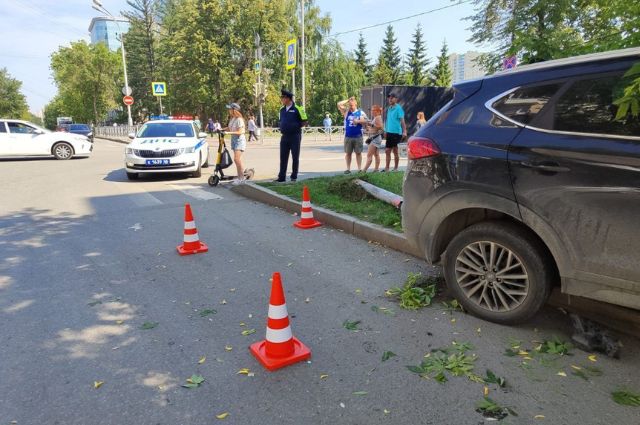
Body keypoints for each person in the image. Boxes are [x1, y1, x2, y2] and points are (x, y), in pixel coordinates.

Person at [275, 89, 307, 183]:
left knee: (295, 157)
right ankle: (281, 177)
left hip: (295, 136)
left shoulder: (298, 108)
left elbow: (305, 121)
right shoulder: (282, 109)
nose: (281, 99)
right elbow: (281, 121)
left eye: (283, 98)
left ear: (288, 98)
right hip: (284, 136)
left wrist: (295, 127)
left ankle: (294, 176)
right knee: (283, 157)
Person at [337, 96, 367, 174]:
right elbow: (339, 104)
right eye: (349, 105)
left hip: (358, 136)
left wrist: (358, 121)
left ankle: (359, 169)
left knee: (358, 153)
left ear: (355, 104)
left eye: (352, 105)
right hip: (348, 136)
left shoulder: (360, 112)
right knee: (348, 153)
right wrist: (348, 100)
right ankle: (348, 169)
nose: (350, 107)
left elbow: (366, 121)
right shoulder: (347, 112)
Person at [224, 103, 247, 185]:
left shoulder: (239, 120)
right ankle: (239, 177)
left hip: (239, 141)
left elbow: (240, 131)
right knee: (237, 160)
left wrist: (228, 132)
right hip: (234, 140)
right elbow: (229, 127)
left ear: (234, 110)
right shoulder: (233, 119)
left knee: (237, 159)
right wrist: (221, 129)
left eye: (230, 109)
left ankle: (242, 178)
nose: (229, 110)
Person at [383, 92, 406, 172]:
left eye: (392, 97)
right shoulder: (389, 108)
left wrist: (404, 131)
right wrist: (385, 130)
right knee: (387, 151)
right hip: (389, 132)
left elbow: (402, 121)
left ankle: (395, 168)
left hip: (396, 133)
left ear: (396, 99)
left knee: (395, 151)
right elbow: (387, 120)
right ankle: (387, 168)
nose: (390, 99)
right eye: (389, 98)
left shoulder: (399, 108)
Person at [363, 105, 384, 173]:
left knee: (369, 155)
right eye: (371, 110)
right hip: (375, 137)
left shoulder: (377, 117)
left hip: (375, 138)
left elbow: (380, 127)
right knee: (376, 154)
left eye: (373, 110)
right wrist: (368, 130)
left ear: (377, 111)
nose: (371, 112)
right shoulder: (376, 117)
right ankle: (376, 169)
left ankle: (364, 170)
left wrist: (370, 124)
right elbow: (375, 128)